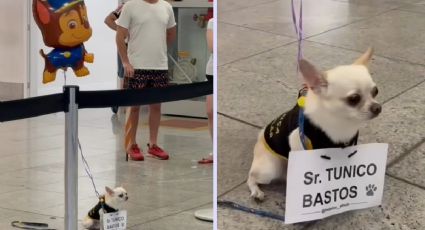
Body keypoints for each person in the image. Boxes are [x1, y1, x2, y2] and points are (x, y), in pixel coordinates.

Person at [116, 0, 176, 161]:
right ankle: (132, 144)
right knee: (134, 107)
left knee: (156, 106)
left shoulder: (166, 7)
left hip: (159, 66)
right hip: (136, 66)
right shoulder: (130, 6)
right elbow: (120, 36)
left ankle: (153, 144)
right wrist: (125, 62)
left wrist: (159, 50)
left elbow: (171, 34)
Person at [105, 1, 127, 114]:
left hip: (141, 46)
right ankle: (117, 102)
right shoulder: (125, 5)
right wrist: (124, 33)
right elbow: (108, 20)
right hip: (126, 46)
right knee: (125, 76)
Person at [198, 18, 214, 164]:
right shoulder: (212, 21)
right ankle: (214, 150)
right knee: (210, 111)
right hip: (211, 72)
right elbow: (212, 46)